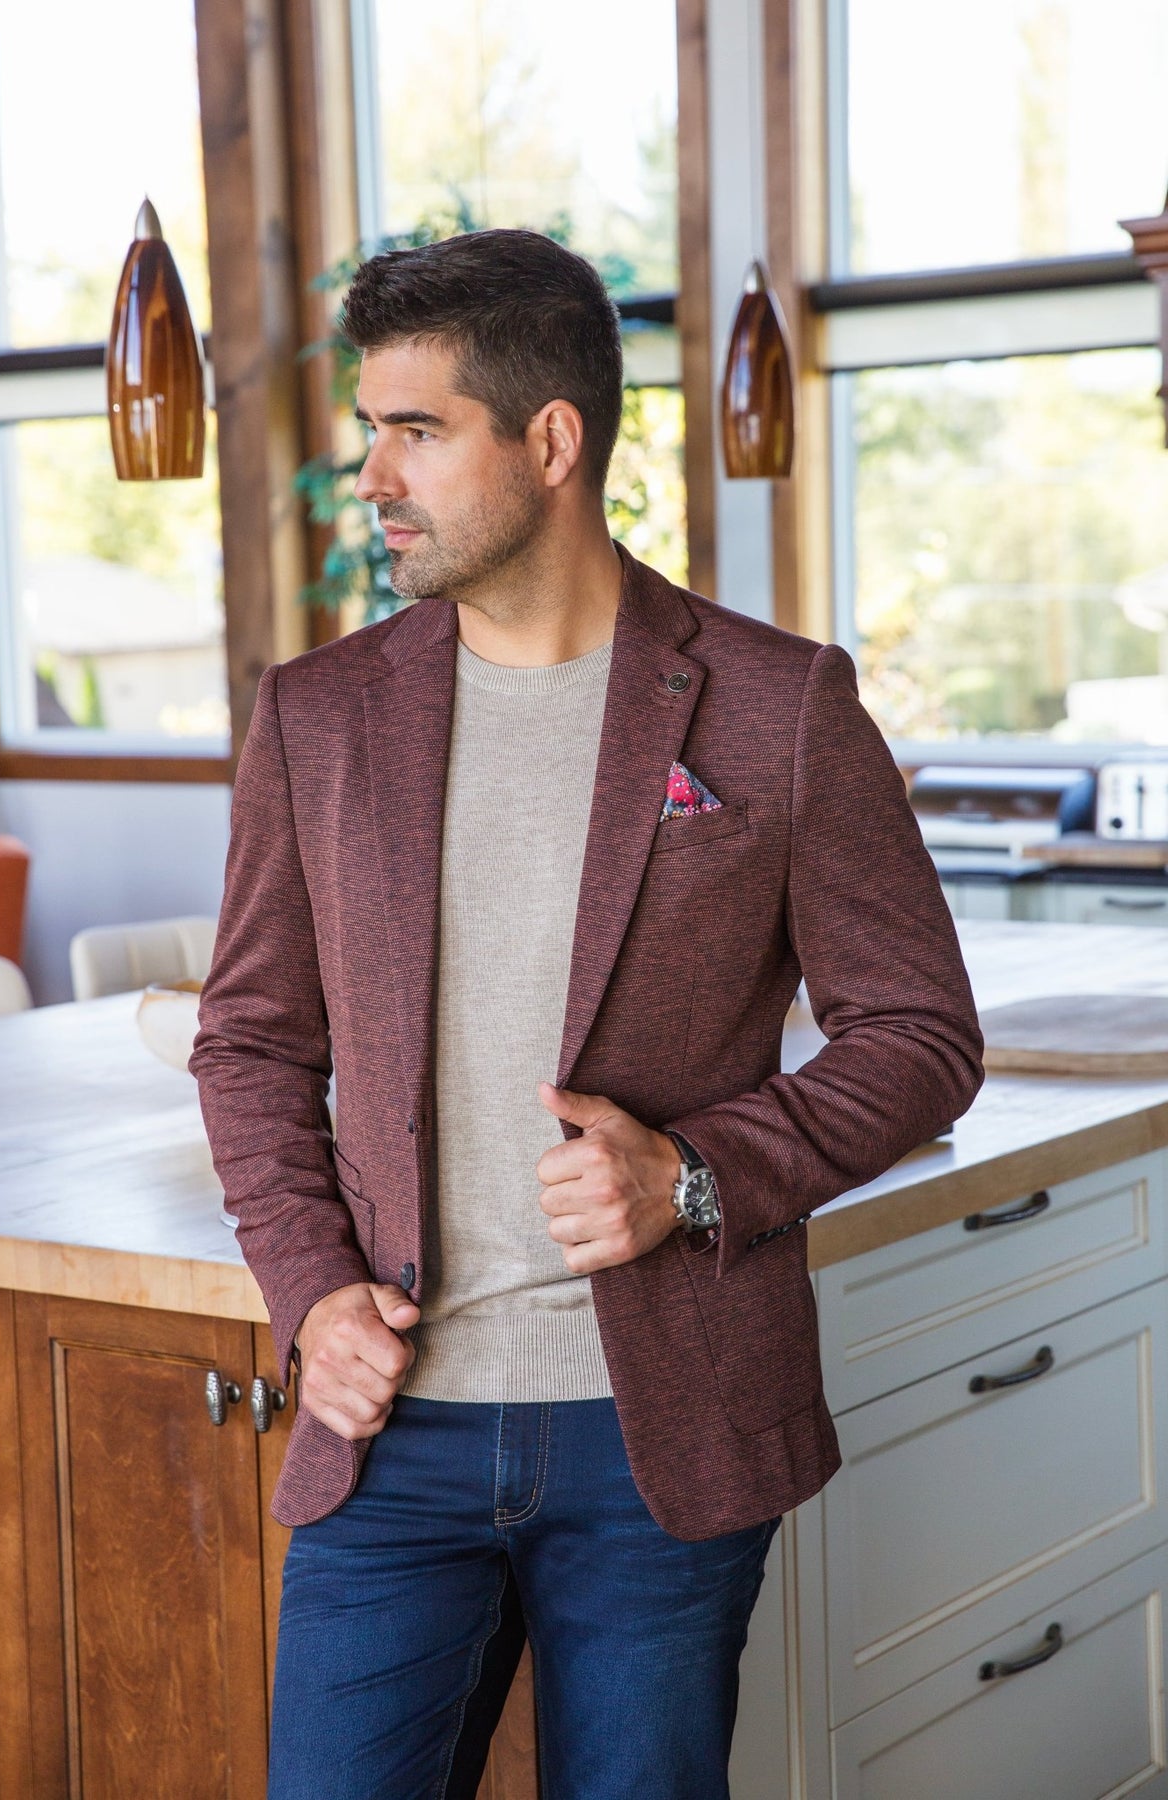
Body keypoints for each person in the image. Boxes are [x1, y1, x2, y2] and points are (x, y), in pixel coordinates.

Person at [189, 227, 984, 1800]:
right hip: (389, 1433)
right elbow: (254, 1043)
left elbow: (919, 1033)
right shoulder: (317, 715)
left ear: (549, 442)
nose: (372, 476)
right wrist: (313, 1295)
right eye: (370, 430)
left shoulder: (781, 704)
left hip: (658, 1435)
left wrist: (689, 1174)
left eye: (415, 431)